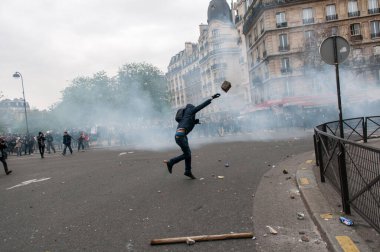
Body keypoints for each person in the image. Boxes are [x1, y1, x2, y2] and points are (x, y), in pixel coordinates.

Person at [164, 93, 221, 179]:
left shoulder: (185, 117)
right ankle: (171, 162)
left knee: (188, 154)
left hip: (180, 136)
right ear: (190, 109)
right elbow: (201, 106)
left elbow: (187, 123)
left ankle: (188, 171)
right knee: (187, 154)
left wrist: (195, 122)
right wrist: (211, 98)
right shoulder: (190, 111)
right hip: (181, 136)